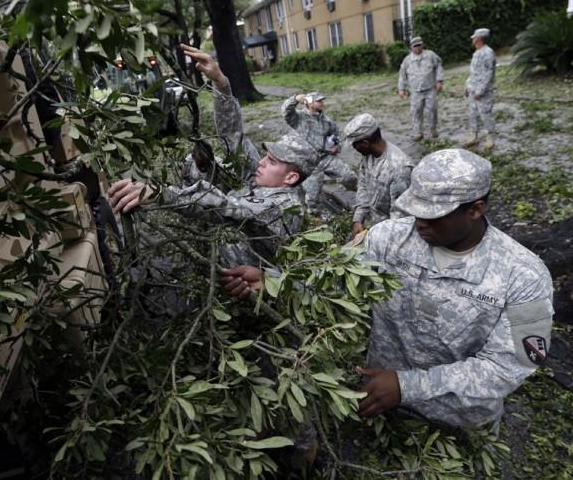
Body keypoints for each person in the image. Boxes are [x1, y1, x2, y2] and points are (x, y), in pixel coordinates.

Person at [221, 149, 554, 430]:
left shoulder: (527, 276)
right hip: (378, 404)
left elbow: (509, 367)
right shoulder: (388, 238)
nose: (419, 223)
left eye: (433, 216)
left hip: (454, 423)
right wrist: (275, 281)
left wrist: (407, 386)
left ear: (475, 209)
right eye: (415, 211)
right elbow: (331, 277)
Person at [108, 46, 319, 266]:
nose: (262, 162)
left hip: (241, 288)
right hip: (221, 264)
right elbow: (232, 137)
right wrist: (220, 83)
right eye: (266, 156)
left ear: (291, 178)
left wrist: (161, 194)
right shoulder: (267, 180)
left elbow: (223, 206)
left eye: (272, 161)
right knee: (202, 163)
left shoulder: (284, 205)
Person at [281, 91, 357, 213]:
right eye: (319, 101)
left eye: (322, 101)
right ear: (309, 103)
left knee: (349, 176)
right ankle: (316, 214)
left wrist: (336, 147)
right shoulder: (298, 118)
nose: (322, 103)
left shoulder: (326, 121)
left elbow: (336, 135)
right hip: (307, 161)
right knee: (313, 195)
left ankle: (360, 196)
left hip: (325, 157)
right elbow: (285, 111)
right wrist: (295, 99)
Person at [343, 113, 413, 239]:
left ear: (365, 143)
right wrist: (358, 219)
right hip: (375, 221)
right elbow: (363, 186)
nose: (354, 149)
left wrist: (376, 238)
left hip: (391, 232)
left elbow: (399, 220)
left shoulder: (399, 169)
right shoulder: (368, 156)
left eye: (354, 145)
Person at [398, 36, 444, 141]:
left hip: (430, 89)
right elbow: (402, 75)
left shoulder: (430, 55)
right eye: (415, 46)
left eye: (419, 45)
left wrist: (439, 80)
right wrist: (401, 89)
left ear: (422, 45)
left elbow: (439, 65)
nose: (417, 48)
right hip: (415, 91)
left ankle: (433, 128)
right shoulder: (407, 60)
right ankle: (418, 132)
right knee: (416, 111)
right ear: (411, 47)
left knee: (432, 109)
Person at [464, 28, 497, 150]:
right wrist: (467, 86)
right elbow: (474, 73)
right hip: (473, 89)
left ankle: (490, 137)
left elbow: (488, 74)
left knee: (485, 114)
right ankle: (474, 136)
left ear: (478, 38)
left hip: (483, 92)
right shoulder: (477, 52)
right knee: (473, 114)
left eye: (474, 37)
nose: (472, 39)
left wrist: (480, 90)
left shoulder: (487, 53)